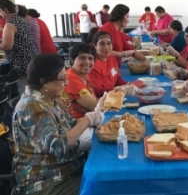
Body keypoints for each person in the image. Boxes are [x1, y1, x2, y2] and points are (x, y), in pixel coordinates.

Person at [12, 53, 104, 195]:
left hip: (68, 167)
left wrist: (97, 121)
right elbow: (59, 146)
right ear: (44, 82)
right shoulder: (32, 107)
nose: (66, 83)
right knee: (102, 187)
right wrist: (87, 120)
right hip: (45, 180)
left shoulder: (50, 98)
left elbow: (71, 124)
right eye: (62, 79)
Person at [0, 0, 37, 94]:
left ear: (6, 10)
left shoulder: (10, 24)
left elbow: (7, 45)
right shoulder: (19, 19)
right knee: (32, 89)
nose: (0, 14)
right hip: (30, 59)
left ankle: (26, 108)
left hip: (21, 62)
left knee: (25, 91)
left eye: (0, 11)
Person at [61, 43, 98, 119]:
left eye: (90, 58)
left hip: (87, 121)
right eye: (82, 58)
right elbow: (95, 106)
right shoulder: (70, 78)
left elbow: (94, 99)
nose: (87, 62)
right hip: (75, 125)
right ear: (72, 59)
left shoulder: (84, 75)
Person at [88, 31, 127, 97]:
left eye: (109, 43)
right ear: (95, 45)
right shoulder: (92, 65)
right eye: (102, 44)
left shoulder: (111, 57)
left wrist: (128, 84)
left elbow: (117, 78)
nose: (106, 47)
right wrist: (116, 89)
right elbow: (97, 91)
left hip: (112, 94)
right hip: (100, 99)